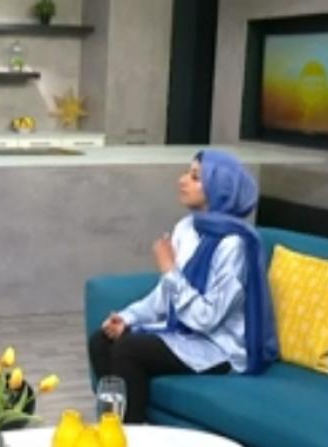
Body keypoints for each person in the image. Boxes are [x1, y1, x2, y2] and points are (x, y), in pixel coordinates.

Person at [88, 149, 278, 423]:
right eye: (187, 173)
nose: (182, 180)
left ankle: (132, 434)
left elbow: (208, 318)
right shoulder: (186, 227)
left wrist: (170, 269)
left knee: (129, 349)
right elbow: (164, 297)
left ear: (220, 189)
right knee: (103, 340)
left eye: (195, 177)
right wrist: (127, 317)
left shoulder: (234, 245)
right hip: (185, 332)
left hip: (218, 346)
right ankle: (111, 429)